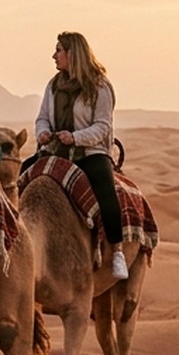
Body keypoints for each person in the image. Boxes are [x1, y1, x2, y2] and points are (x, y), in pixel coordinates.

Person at [33, 31, 130, 279]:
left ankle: (117, 250)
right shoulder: (54, 85)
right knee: (24, 175)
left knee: (106, 191)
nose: (53, 56)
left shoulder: (99, 86)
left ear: (72, 53)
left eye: (58, 50)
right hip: (57, 150)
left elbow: (102, 126)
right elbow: (43, 117)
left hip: (89, 151)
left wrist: (75, 137)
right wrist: (44, 133)